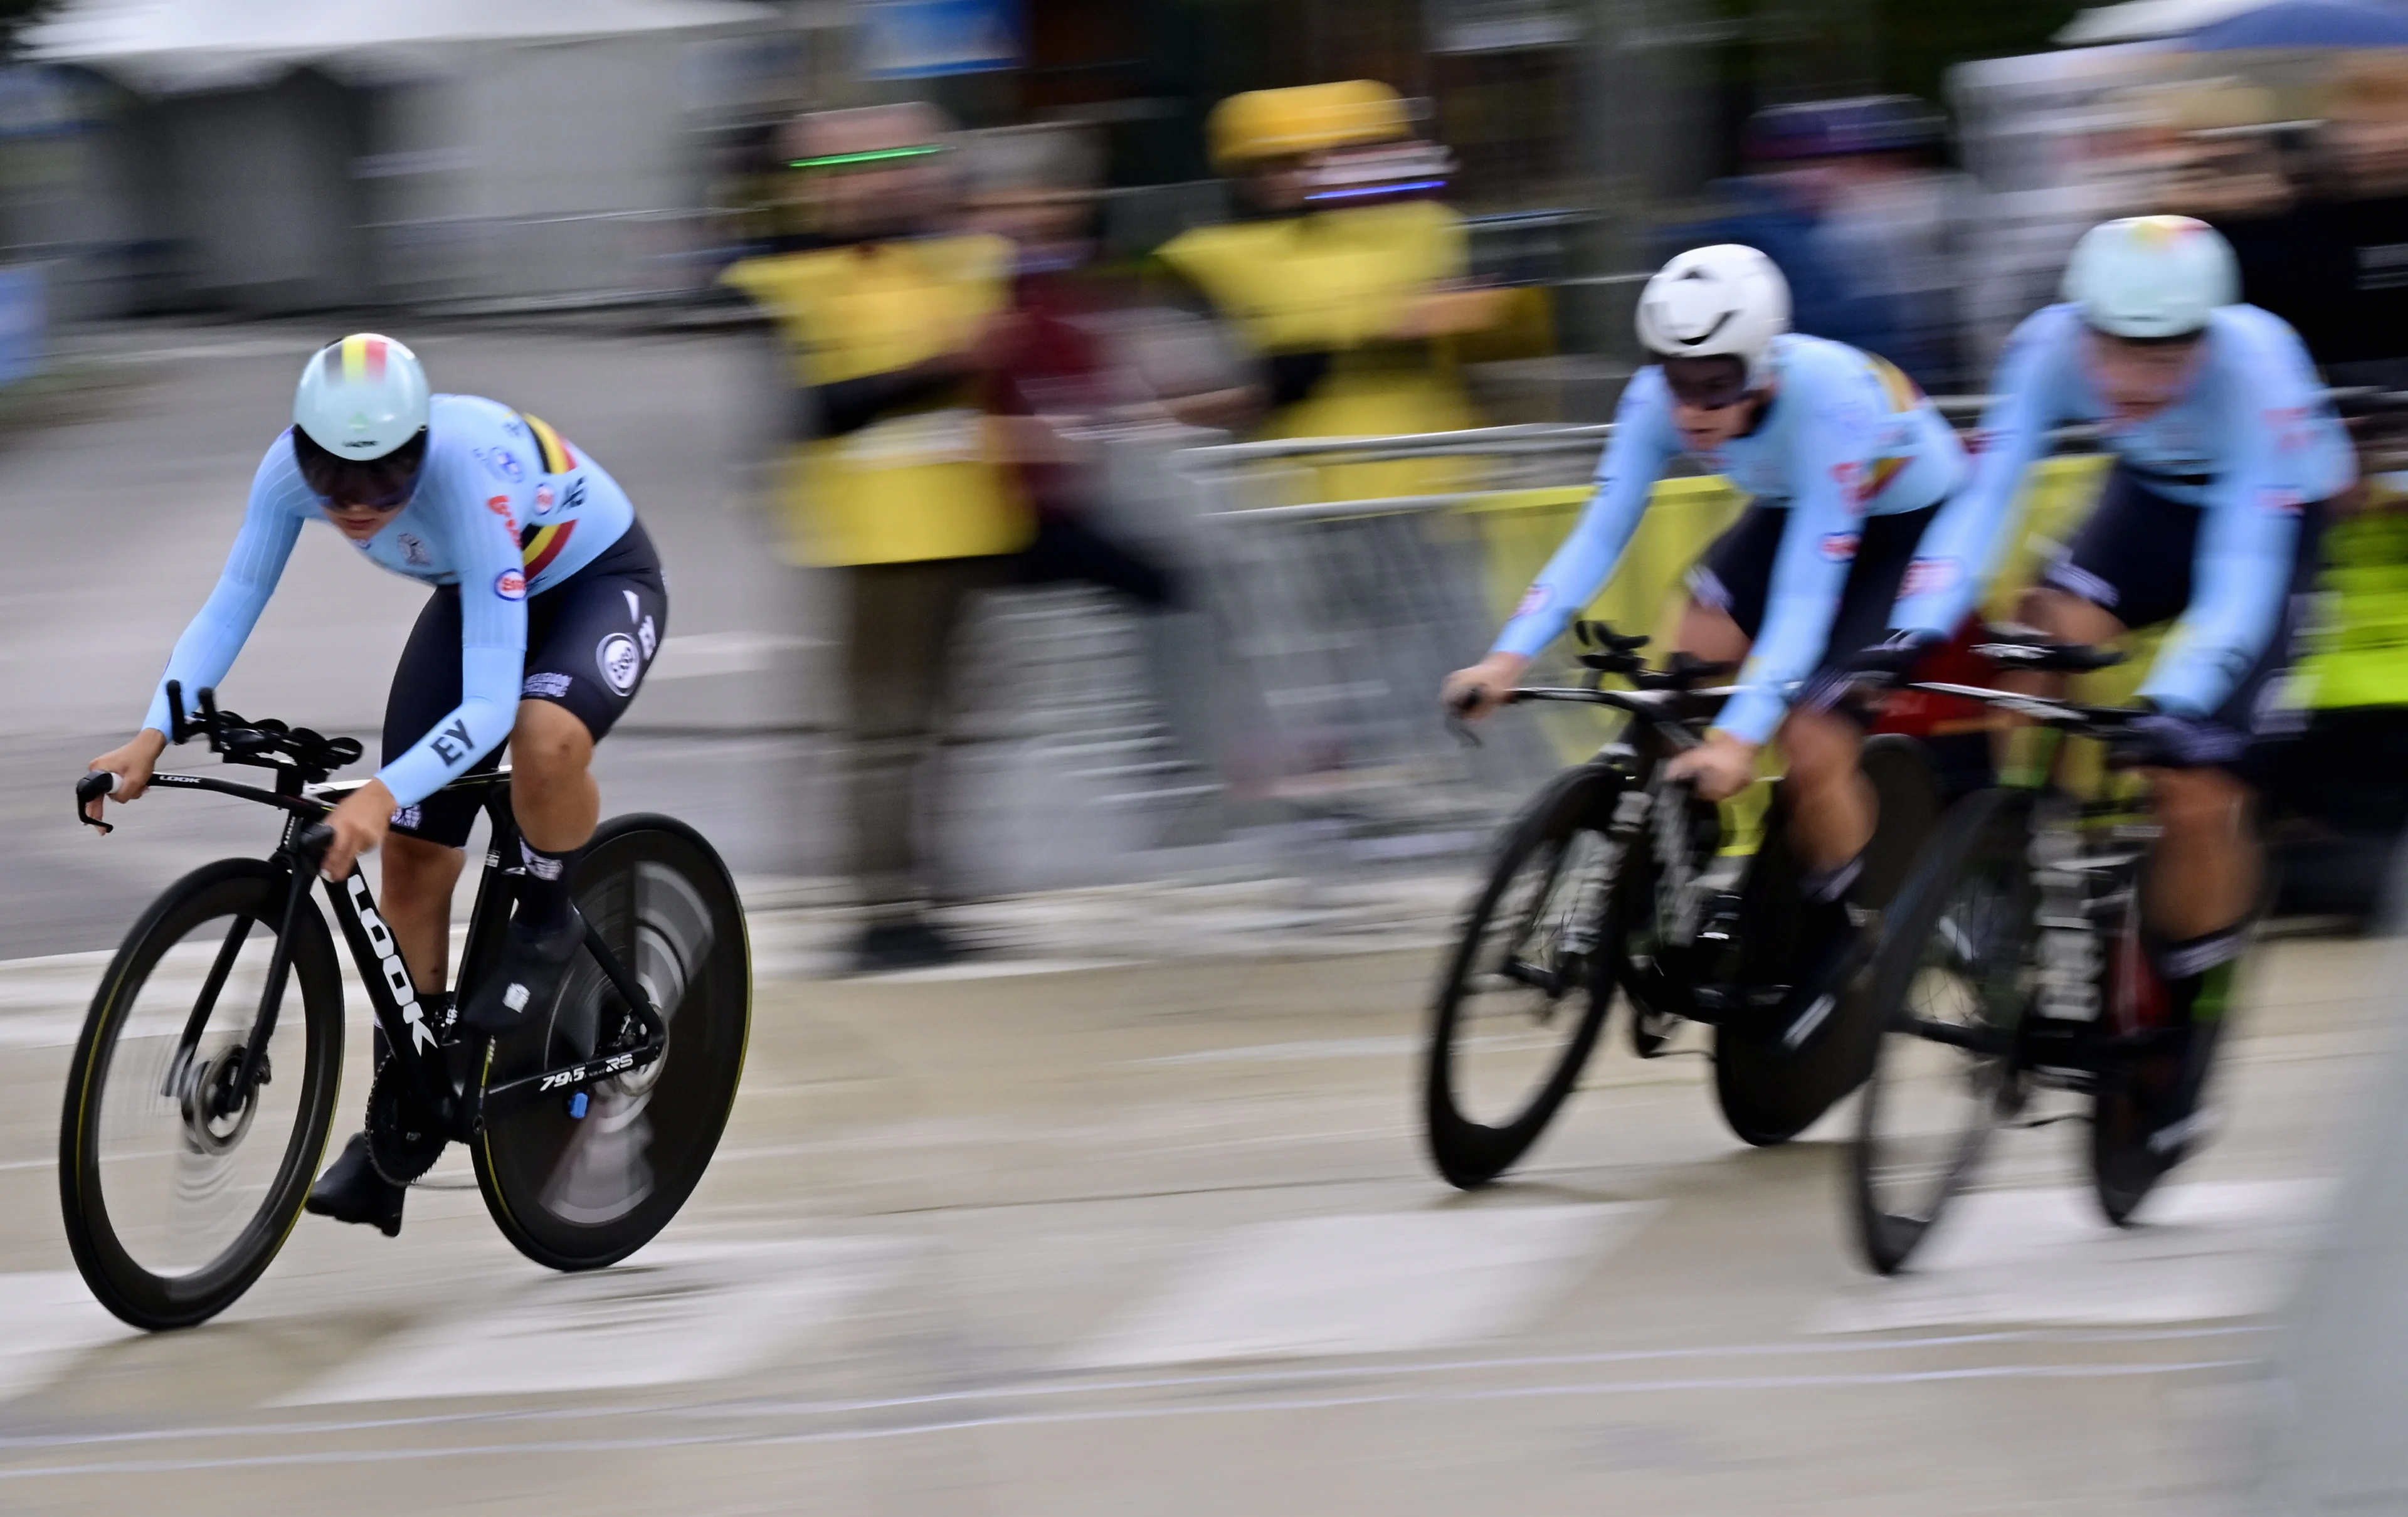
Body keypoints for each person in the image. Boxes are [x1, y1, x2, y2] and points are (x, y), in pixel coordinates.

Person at [83, 334, 667, 1236]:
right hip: (479, 592)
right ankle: (404, 1121)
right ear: (301, 449)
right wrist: (154, 730)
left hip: (593, 578)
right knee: (416, 865)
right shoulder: (286, 473)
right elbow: (235, 595)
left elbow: (483, 704)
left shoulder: (467, 479)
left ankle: (550, 916)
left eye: (388, 477)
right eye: (334, 478)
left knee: (543, 739)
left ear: (423, 449)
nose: (359, 504)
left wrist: (378, 794)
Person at [1874, 214, 2356, 1158]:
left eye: (2167, 353)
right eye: (2117, 351)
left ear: (2209, 335)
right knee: (2034, 643)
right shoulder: (2044, 345)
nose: (2136, 378)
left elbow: (2241, 576)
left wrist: (2176, 708)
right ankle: (2032, 863)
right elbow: (1985, 494)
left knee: (2194, 789)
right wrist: (1916, 625)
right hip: (2149, 500)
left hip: (2272, 519)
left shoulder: (2256, 367)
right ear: (2080, 325)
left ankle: (2181, 1021)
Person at [1444, 245, 1967, 1008]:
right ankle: (1679, 856)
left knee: (1814, 742)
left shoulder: (1829, 400)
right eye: (1676, 381)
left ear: (1763, 366)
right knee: (1677, 674)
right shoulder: (1658, 398)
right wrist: (1506, 657)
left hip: (1908, 528)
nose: (1692, 411)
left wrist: (1739, 740)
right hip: (1795, 506)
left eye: (1716, 387)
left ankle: (1847, 925)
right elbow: (1601, 531)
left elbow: (1803, 600)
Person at [719, 103, 1033, 973]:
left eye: (906, 161)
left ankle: (932, 892)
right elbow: (814, 408)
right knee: (884, 730)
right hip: (872, 538)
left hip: (972, 523)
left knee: (953, 726)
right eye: (854, 169)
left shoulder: (966, 261)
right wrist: (939, 365)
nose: (887, 179)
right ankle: (883, 908)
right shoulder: (786, 283)